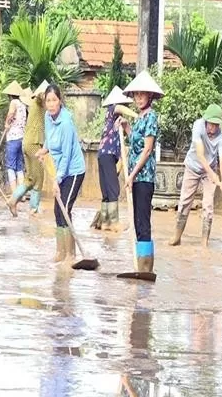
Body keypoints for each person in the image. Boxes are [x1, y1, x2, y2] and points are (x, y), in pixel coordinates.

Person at [35, 84, 86, 263]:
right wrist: (44, 150)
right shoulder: (48, 117)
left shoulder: (66, 122)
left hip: (73, 171)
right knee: (58, 210)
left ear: (60, 101)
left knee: (65, 208)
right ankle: (60, 252)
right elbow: (50, 138)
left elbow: (66, 154)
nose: (50, 104)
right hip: (61, 170)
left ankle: (71, 254)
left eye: (54, 100)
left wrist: (58, 178)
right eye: (48, 100)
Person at [119, 70, 163, 272]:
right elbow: (136, 144)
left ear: (150, 96)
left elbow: (146, 151)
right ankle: (139, 265)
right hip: (135, 178)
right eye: (135, 95)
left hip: (144, 178)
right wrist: (127, 127)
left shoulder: (151, 117)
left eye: (142, 94)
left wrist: (132, 174)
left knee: (143, 221)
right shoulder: (139, 118)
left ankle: (145, 269)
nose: (138, 98)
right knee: (136, 220)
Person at [168, 103, 222, 248]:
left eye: (215, 125)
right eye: (210, 124)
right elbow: (200, 155)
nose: (212, 128)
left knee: (208, 205)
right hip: (193, 166)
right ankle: (177, 236)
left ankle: (204, 243)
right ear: (206, 121)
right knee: (184, 202)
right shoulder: (198, 126)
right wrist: (213, 174)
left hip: (211, 169)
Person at [94, 86, 137, 231]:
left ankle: (105, 222)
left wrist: (127, 125)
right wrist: (136, 115)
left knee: (106, 189)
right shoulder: (113, 110)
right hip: (107, 153)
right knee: (113, 189)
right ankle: (114, 222)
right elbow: (119, 108)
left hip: (104, 155)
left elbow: (129, 136)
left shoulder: (117, 120)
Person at [8, 81, 48, 216]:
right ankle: (33, 209)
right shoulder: (37, 102)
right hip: (34, 144)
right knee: (39, 178)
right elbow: (41, 96)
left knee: (30, 178)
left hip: (27, 143)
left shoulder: (36, 108)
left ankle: (13, 200)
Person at [2, 80, 26, 194]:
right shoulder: (23, 104)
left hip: (13, 137)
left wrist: (7, 123)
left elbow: (11, 114)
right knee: (19, 166)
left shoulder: (14, 103)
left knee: (11, 166)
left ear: (10, 95)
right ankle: (21, 193)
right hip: (21, 137)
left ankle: (14, 193)